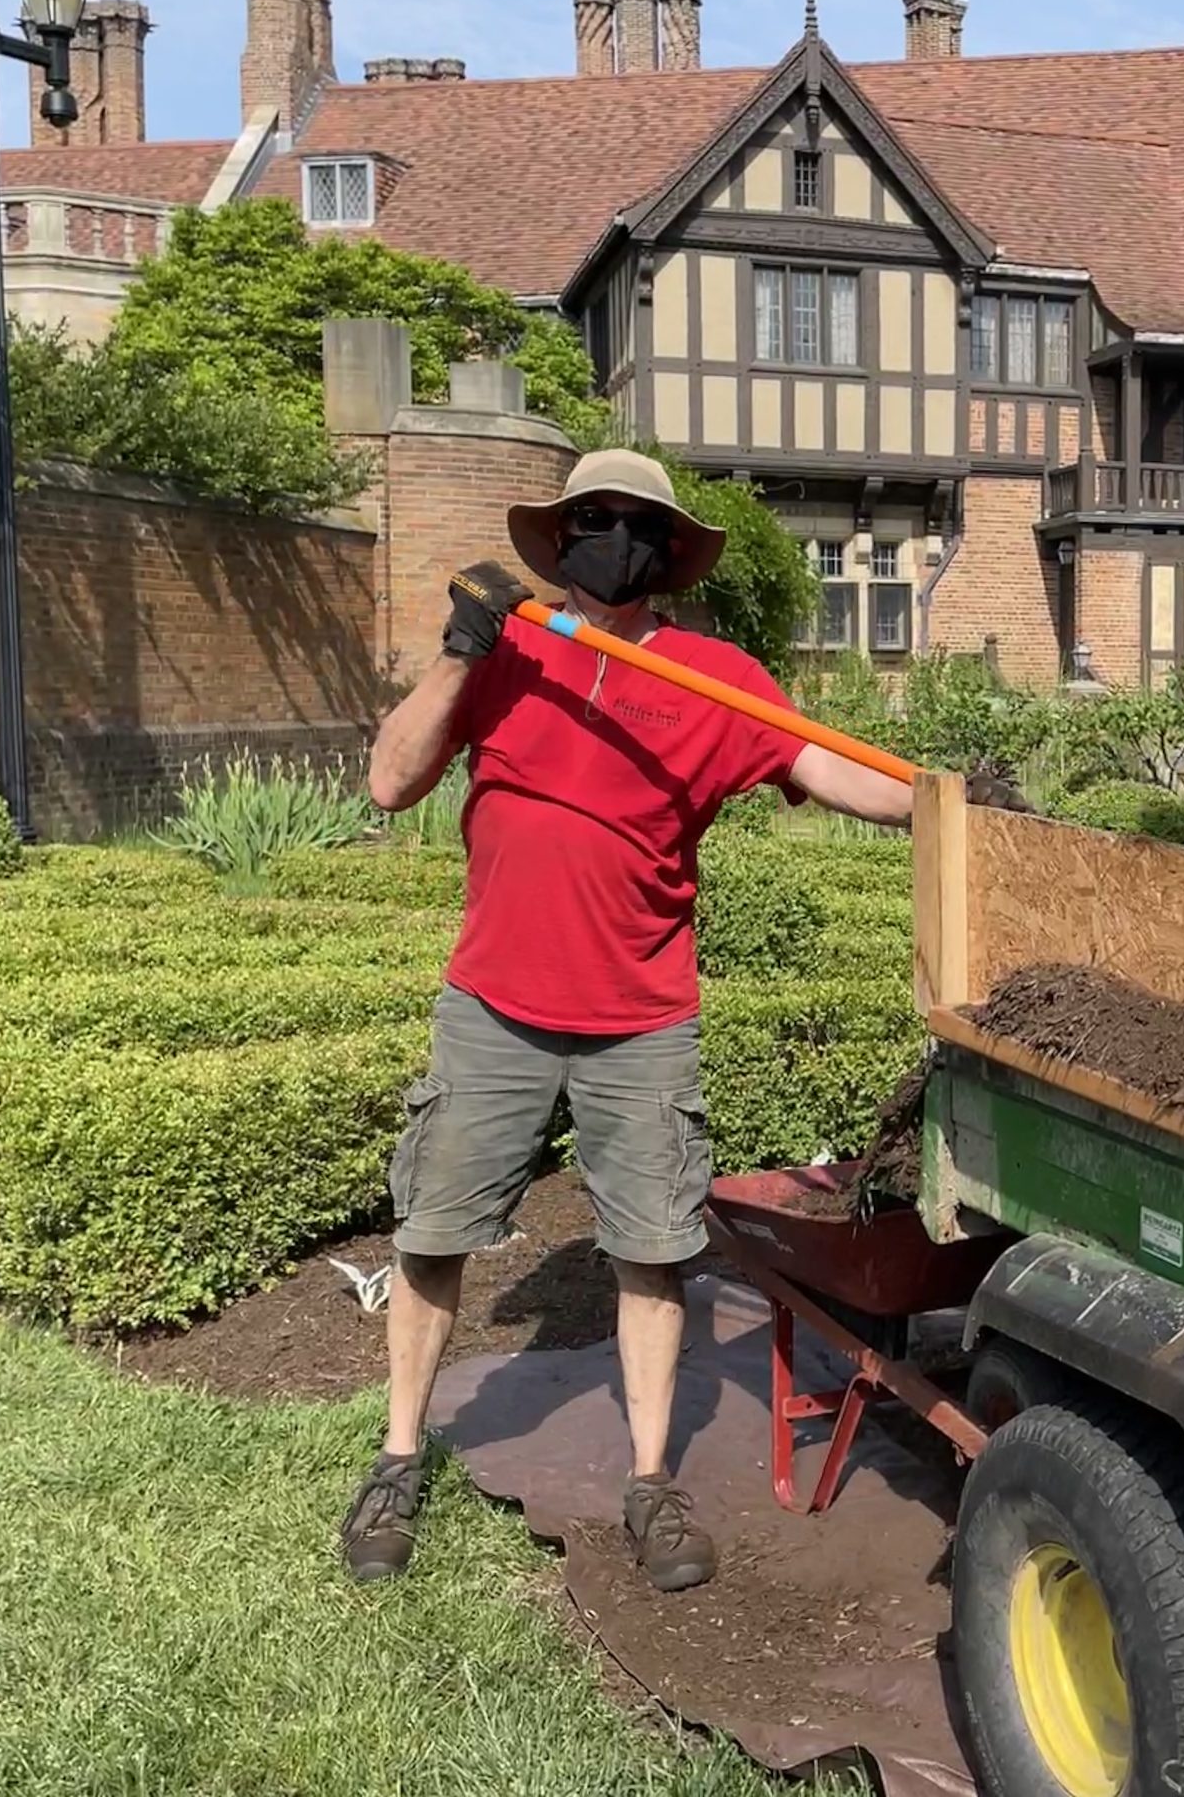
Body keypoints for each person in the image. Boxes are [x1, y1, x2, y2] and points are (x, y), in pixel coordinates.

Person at [342, 449, 913, 1592]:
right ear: (561, 541)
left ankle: (650, 1481)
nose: (618, 538)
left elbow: (846, 775)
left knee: (653, 1256)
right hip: (493, 1006)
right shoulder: (505, 653)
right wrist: (462, 652)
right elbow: (389, 783)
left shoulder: (715, 679)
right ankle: (399, 1459)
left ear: (665, 551)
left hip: (641, 1018)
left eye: (638, 523)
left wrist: (950, 800)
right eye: (595, 520)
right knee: (434, 1233)